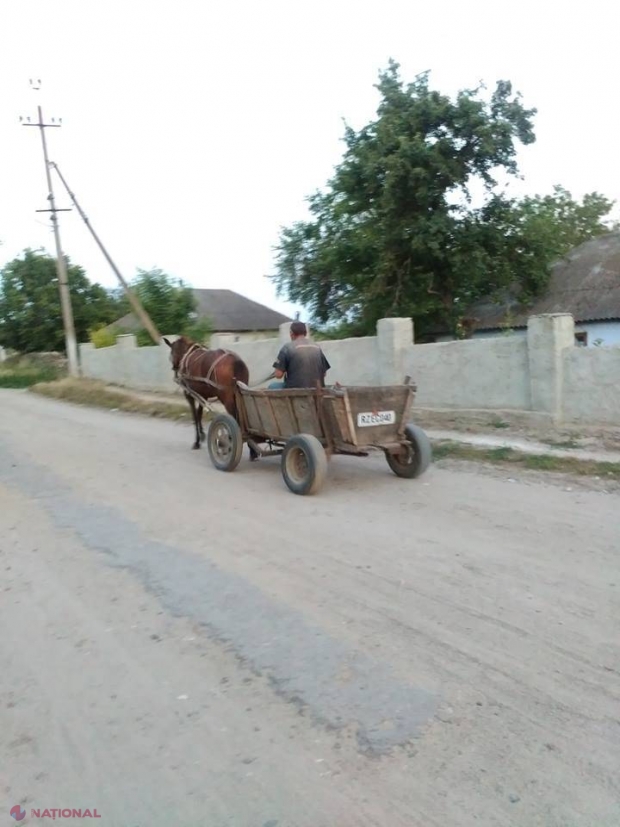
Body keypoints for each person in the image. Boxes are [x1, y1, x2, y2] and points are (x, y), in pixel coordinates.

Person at [268, 321, 331, 389]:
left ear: (291, 333)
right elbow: (324, 374)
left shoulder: (287, 347)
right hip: (317, 389)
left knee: (272, 386)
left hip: (294, 389)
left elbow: (278, 375)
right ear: (305, 333)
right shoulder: (317, 347)